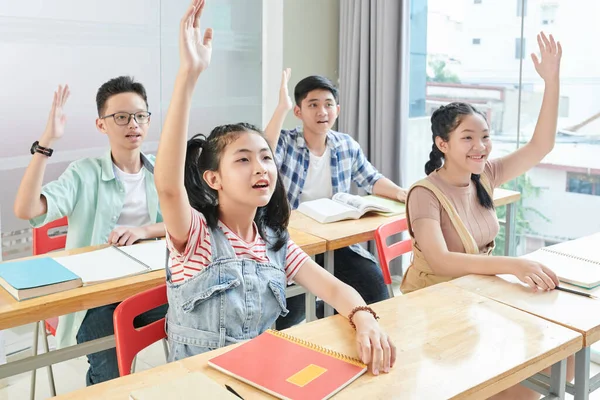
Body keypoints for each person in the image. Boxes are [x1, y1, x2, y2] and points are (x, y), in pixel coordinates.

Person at [154, 0, 395, 375]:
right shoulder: (196, 237)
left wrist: (364, 317)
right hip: (201, 384)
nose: (261, 168)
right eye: (243, 159)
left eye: (266, 157)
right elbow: (169, 188)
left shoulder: (273, 240)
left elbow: (334, 290)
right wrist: (188, 76)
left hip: (259, 375)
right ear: (213, 179)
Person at [404, 32, 570, 399]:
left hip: (475, 297)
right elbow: (441, 261)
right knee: (522, 375)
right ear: (442, 144)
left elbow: (541, 145)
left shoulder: (486, 175)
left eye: (485, 137)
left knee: (560, 353)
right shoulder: (423, 194)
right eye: (467, 138)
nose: (480, 146)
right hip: (433, 307)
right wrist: (512, 265)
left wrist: (552, 81)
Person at [14, 77, 166, 385]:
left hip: (149, 286)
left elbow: (189, 220)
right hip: (97, 299)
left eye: (140, 116)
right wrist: (47, 142)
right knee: (111, 374)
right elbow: (25, 210)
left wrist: (145, 230)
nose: (132, 124)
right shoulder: (84, 173)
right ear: (101, 125)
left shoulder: (159, 170)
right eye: (121, 117)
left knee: (200, 329)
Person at [264, 69, 407, 328]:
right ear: (298, 112)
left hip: (335, 242)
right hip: (295, 246)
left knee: (375, 288)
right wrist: (281, 108)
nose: (322, 112)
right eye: (313, 105)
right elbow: (263, 153)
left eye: (328, 105)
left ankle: (362, 333)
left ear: (337, 110)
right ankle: (322, 310)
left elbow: (371, 179)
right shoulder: (286, 142)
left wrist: (400, 193)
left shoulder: (345, 145)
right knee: (287, 316)